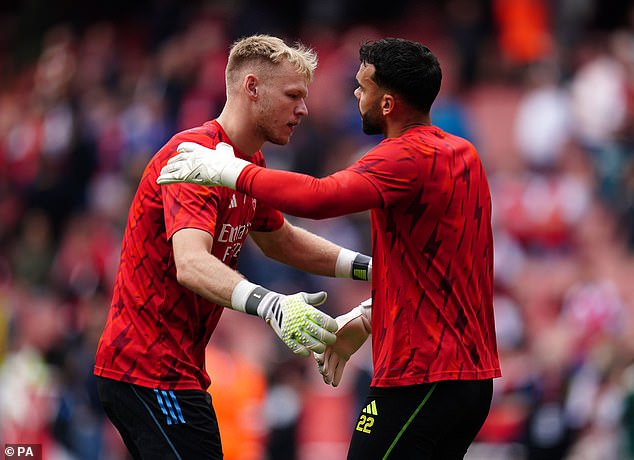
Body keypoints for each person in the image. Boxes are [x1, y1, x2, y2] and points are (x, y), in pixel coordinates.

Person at [158, 37, 502, 459]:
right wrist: (364, 316)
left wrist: (227, 169)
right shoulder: (463, 155)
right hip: (467, 378)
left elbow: (318, 198)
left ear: (389, 104)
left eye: (363, 86)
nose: (356, 94)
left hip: (422, 377)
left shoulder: (404, 157)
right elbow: (441, 274)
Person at [94, 34, 372, 460]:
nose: (304, 109)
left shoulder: (247, 166)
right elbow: (190, 263)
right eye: (293, 95)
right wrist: (269, 304)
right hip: (148, 371)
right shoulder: (194, 159)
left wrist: (373, 269)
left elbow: (281, 241)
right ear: (252, 87)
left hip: (175, 371)